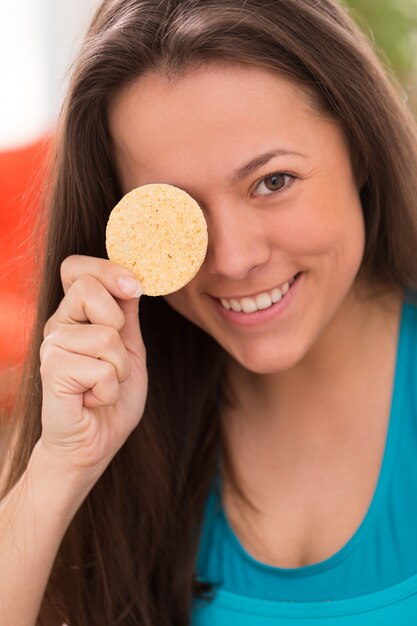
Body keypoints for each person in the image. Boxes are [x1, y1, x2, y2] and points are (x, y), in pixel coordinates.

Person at [1, 0, 417, 624]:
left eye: (272, 182)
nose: (231, 259)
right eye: (175, 211)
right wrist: (57, 472)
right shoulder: (121, 419)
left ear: (358, 146)